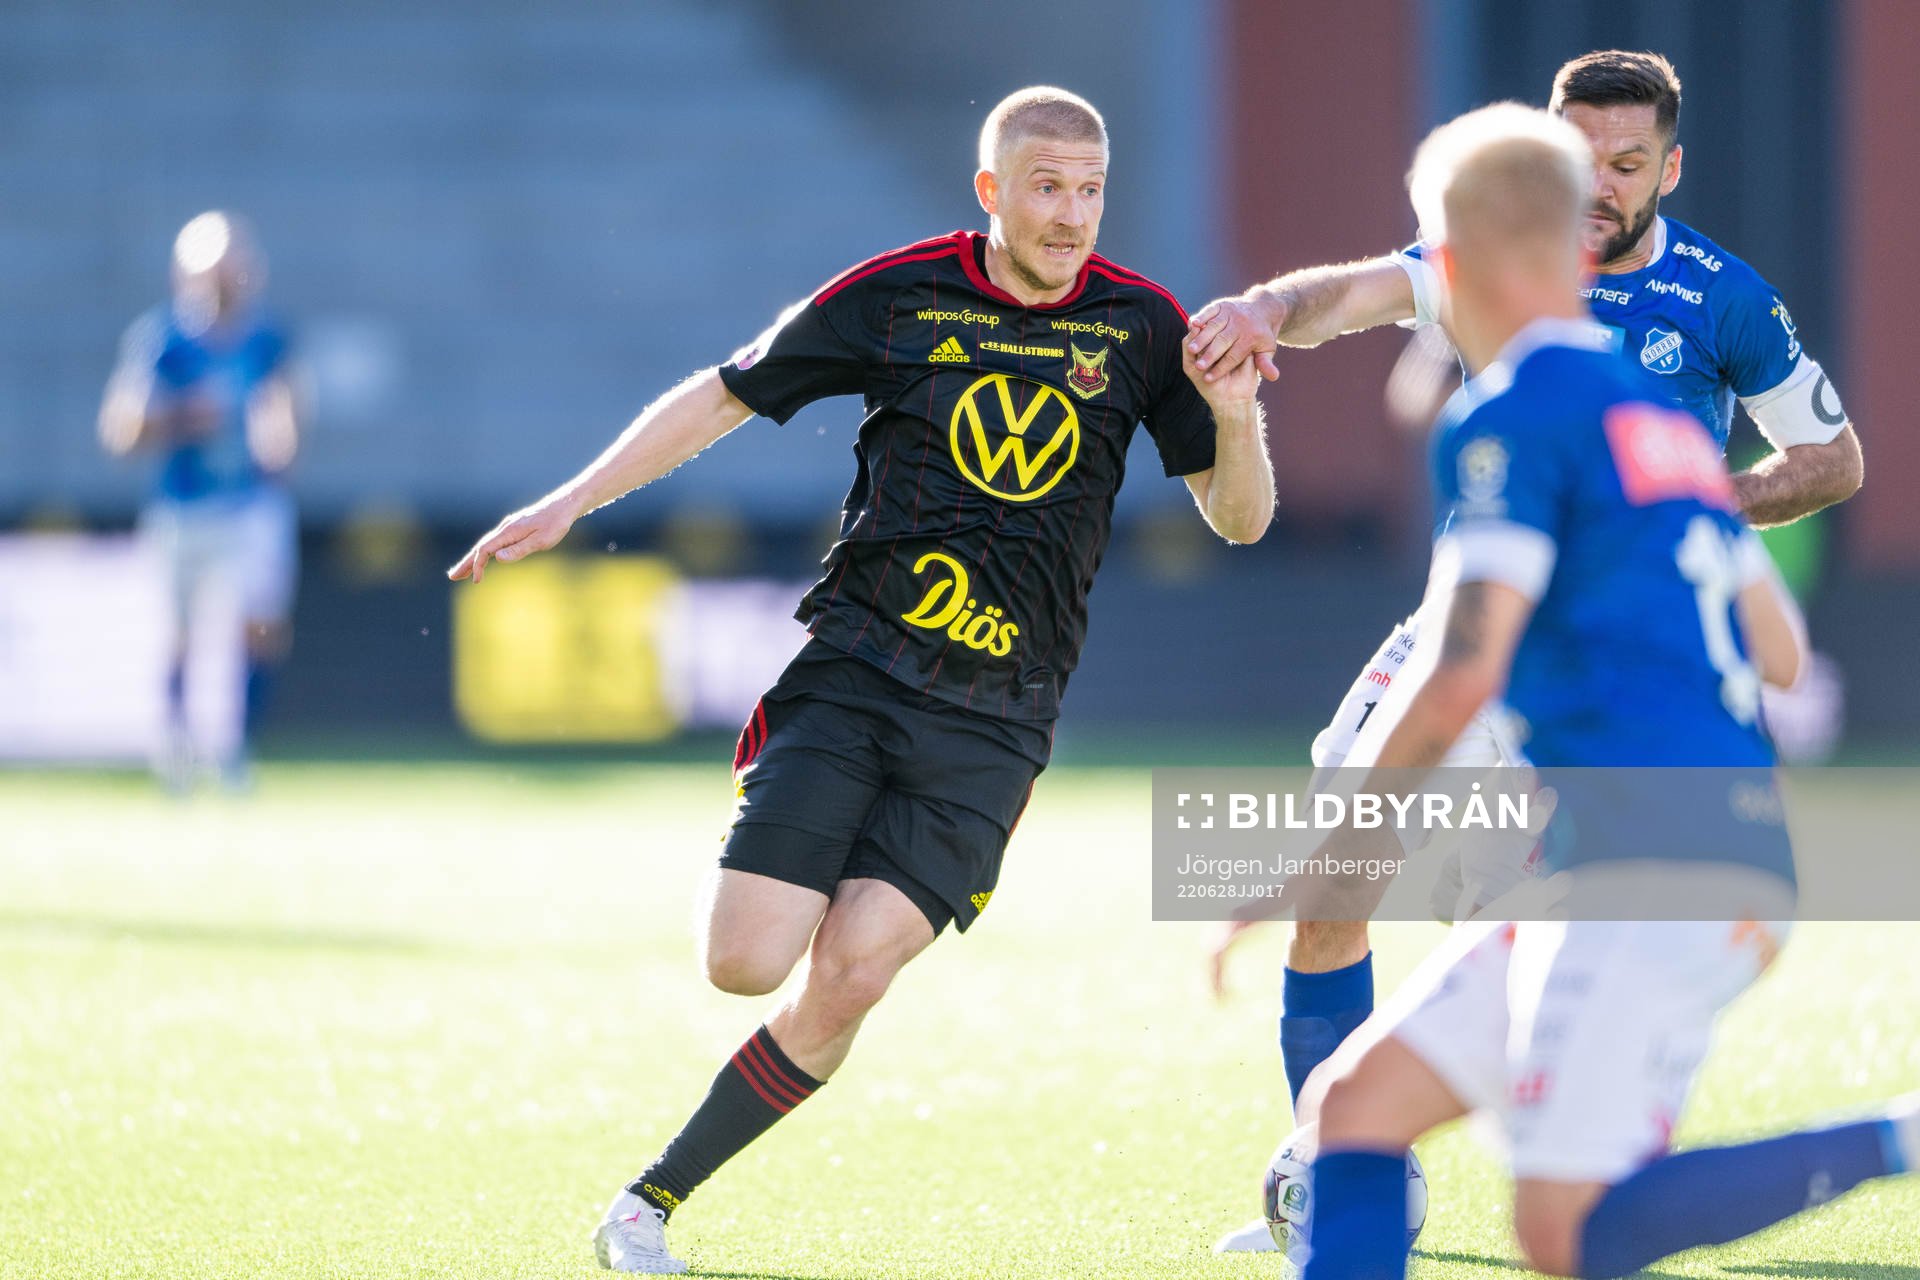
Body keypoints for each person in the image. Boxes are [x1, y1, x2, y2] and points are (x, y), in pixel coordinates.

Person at [447, 86, 1273, 1273]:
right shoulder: (897, 293)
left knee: (854, 970)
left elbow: (1240, 521)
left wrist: (1237, 418)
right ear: (990, 191)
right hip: (859, 672)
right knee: (744, 960)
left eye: (1091, 190)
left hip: (998, 721)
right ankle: (788, 852)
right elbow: (728, 391)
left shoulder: (1143, 328)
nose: (1071, 215)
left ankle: (649, 1201)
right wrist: (574, 499)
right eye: (1046, 187)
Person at [1190, 58, 1864, 1246]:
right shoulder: (1649, 423)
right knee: (1356, 1092)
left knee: (1566, 1224)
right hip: (1700, 812)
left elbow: (1466, 669)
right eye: (1579, 163)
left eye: (1625, 162)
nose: (1602, 183)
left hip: (1639, 827)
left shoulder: (1566, 388)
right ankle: (1337, 1188)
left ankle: (1888, 1136)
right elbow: (1783, 652)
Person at [99, 211, 302, 791]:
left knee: (260, 622)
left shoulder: (266, 337)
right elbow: (121, 427)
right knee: (179, 631)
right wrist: (185, 415)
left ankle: (237, 745)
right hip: (183, 504)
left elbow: (286, 405)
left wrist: (280, 444)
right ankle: (178, 744)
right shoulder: (162, 338)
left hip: (250, 503)